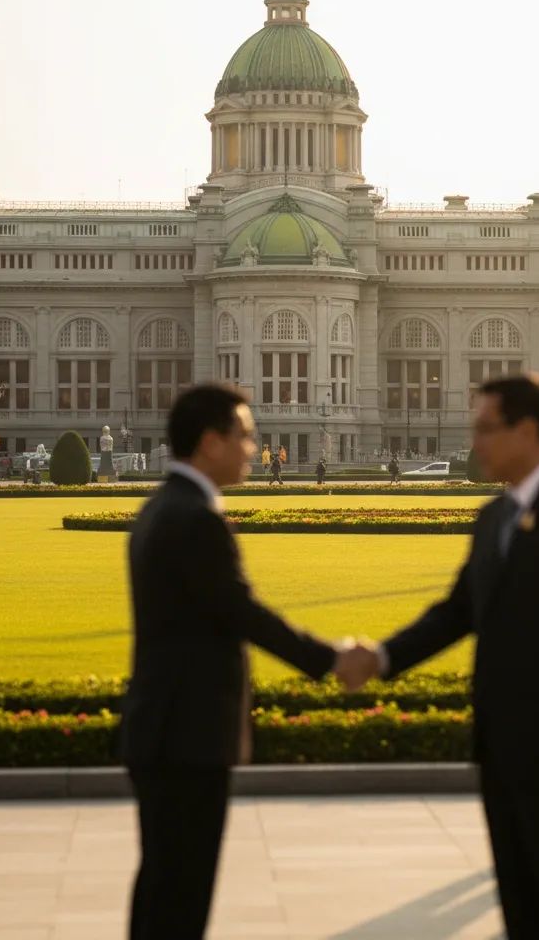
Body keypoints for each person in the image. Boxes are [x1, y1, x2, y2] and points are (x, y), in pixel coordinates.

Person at [338, 375, 539, 940]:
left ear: (527, 431)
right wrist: (383, 657)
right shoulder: (494, 516)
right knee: (520, 896)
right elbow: (458, 611)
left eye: (486, 429)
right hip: (501, 743)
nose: (476, 442)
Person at [119, 384, 342, 939]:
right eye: (244, 436)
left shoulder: (162, 507)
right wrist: (329, 660)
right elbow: (240, 611)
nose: (252, 448)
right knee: (181, 894)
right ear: (210, 442)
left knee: (163, 885)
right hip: (188, 733)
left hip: (163, 728)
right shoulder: (194, 517)